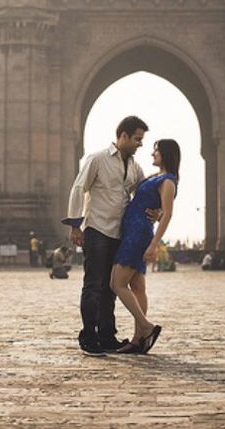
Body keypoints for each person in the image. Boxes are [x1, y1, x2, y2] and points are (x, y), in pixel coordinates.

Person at [63, 115, 157, 357]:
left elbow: (143, 192)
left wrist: (157, 210)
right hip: (97, 230)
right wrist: (75, 225)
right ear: (123, 136)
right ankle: (89, 336)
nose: (140, 144)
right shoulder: (98, 159)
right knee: (93, 285)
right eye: (137, 139)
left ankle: (106, 335)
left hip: (119, 233)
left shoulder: (134, 167)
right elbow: (78, 187)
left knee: (110, 288)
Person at [110, 139, 180, 354]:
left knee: (116, 284)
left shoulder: (168, 181)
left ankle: (146, 326)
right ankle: (138, 339)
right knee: (138, 287)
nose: (152, 155)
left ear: (166, 154)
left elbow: (167, 214)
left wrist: (153, 245)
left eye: (156, 152)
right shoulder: (156, 177)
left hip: (138, 235)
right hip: (133, 230)